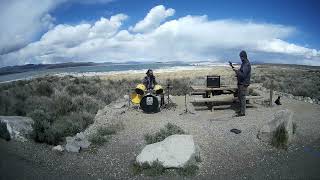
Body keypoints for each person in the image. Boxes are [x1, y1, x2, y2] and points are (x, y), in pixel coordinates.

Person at [230, 50, 251, 116]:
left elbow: (243, 75)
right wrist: (233, 68)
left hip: (243, 83)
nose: (240, 58)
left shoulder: (246, 64)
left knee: (242, 98)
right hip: (241, 83)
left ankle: (242, 113)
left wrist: (236, 71)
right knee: (240, 97)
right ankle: (241, 110)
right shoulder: (244, 63)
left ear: (243, 57)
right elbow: (241, 72)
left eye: (240, 57)